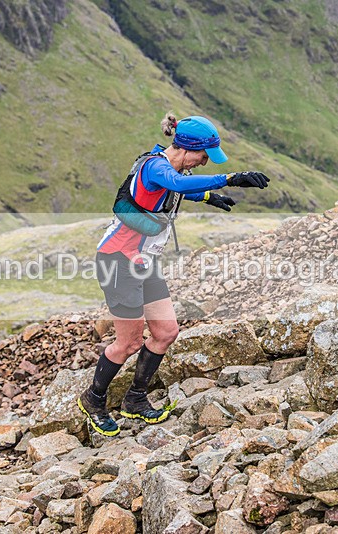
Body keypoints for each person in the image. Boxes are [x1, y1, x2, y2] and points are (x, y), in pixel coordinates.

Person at [79, 112, 270, 436]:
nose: (206, 162)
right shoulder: (156, 166)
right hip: (118, 261)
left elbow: (182, 191)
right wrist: (230, 177)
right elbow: (177, 184)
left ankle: (136, 399)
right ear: (186, 148)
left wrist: (212, 197)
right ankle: (93, 399)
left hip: (143, 261)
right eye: (204, 155)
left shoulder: (173, 170)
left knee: (166, 331)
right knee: (127, 343)